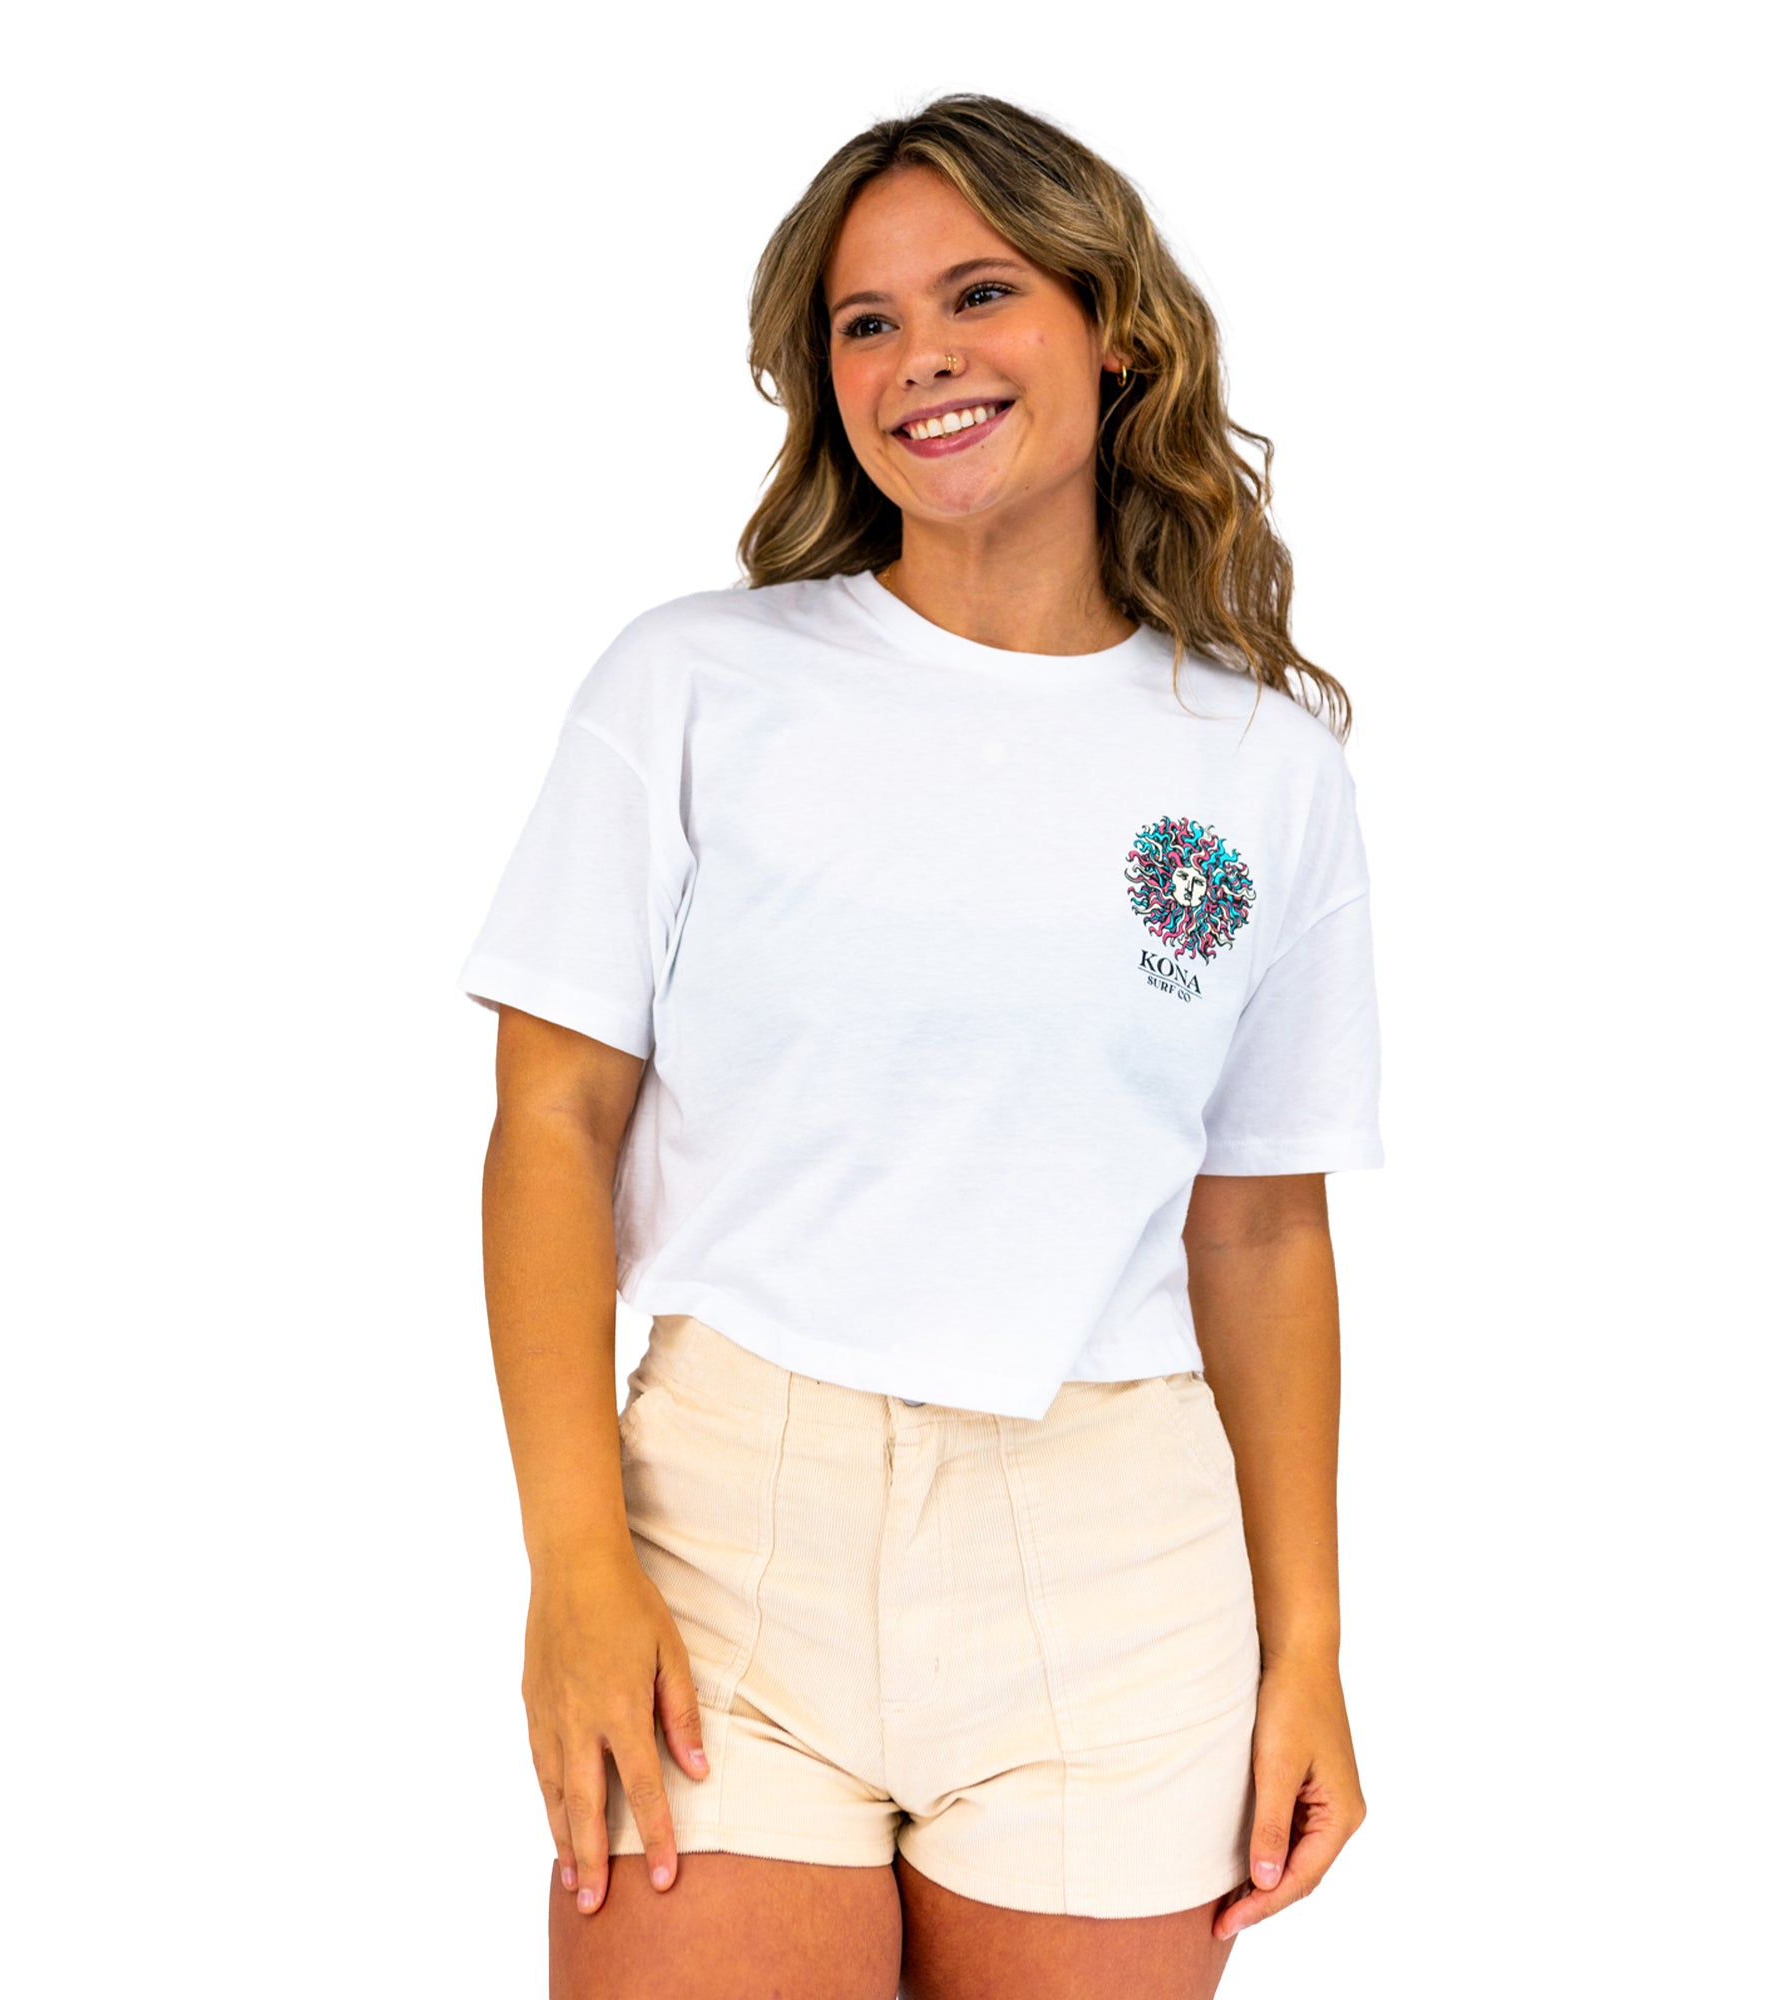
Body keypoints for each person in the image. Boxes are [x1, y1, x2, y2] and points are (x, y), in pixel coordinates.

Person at [457, 92, 1384, 2000]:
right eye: (865, 322)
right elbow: (549, 1123)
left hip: (1119, 1560)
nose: (921, 357)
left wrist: (1310, 1652)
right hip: (726, 1532)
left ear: (1112, 327)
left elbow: (1261, 1227)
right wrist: (571, 1560)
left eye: (979, 292)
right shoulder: (694, 686)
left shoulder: (1261, 770)